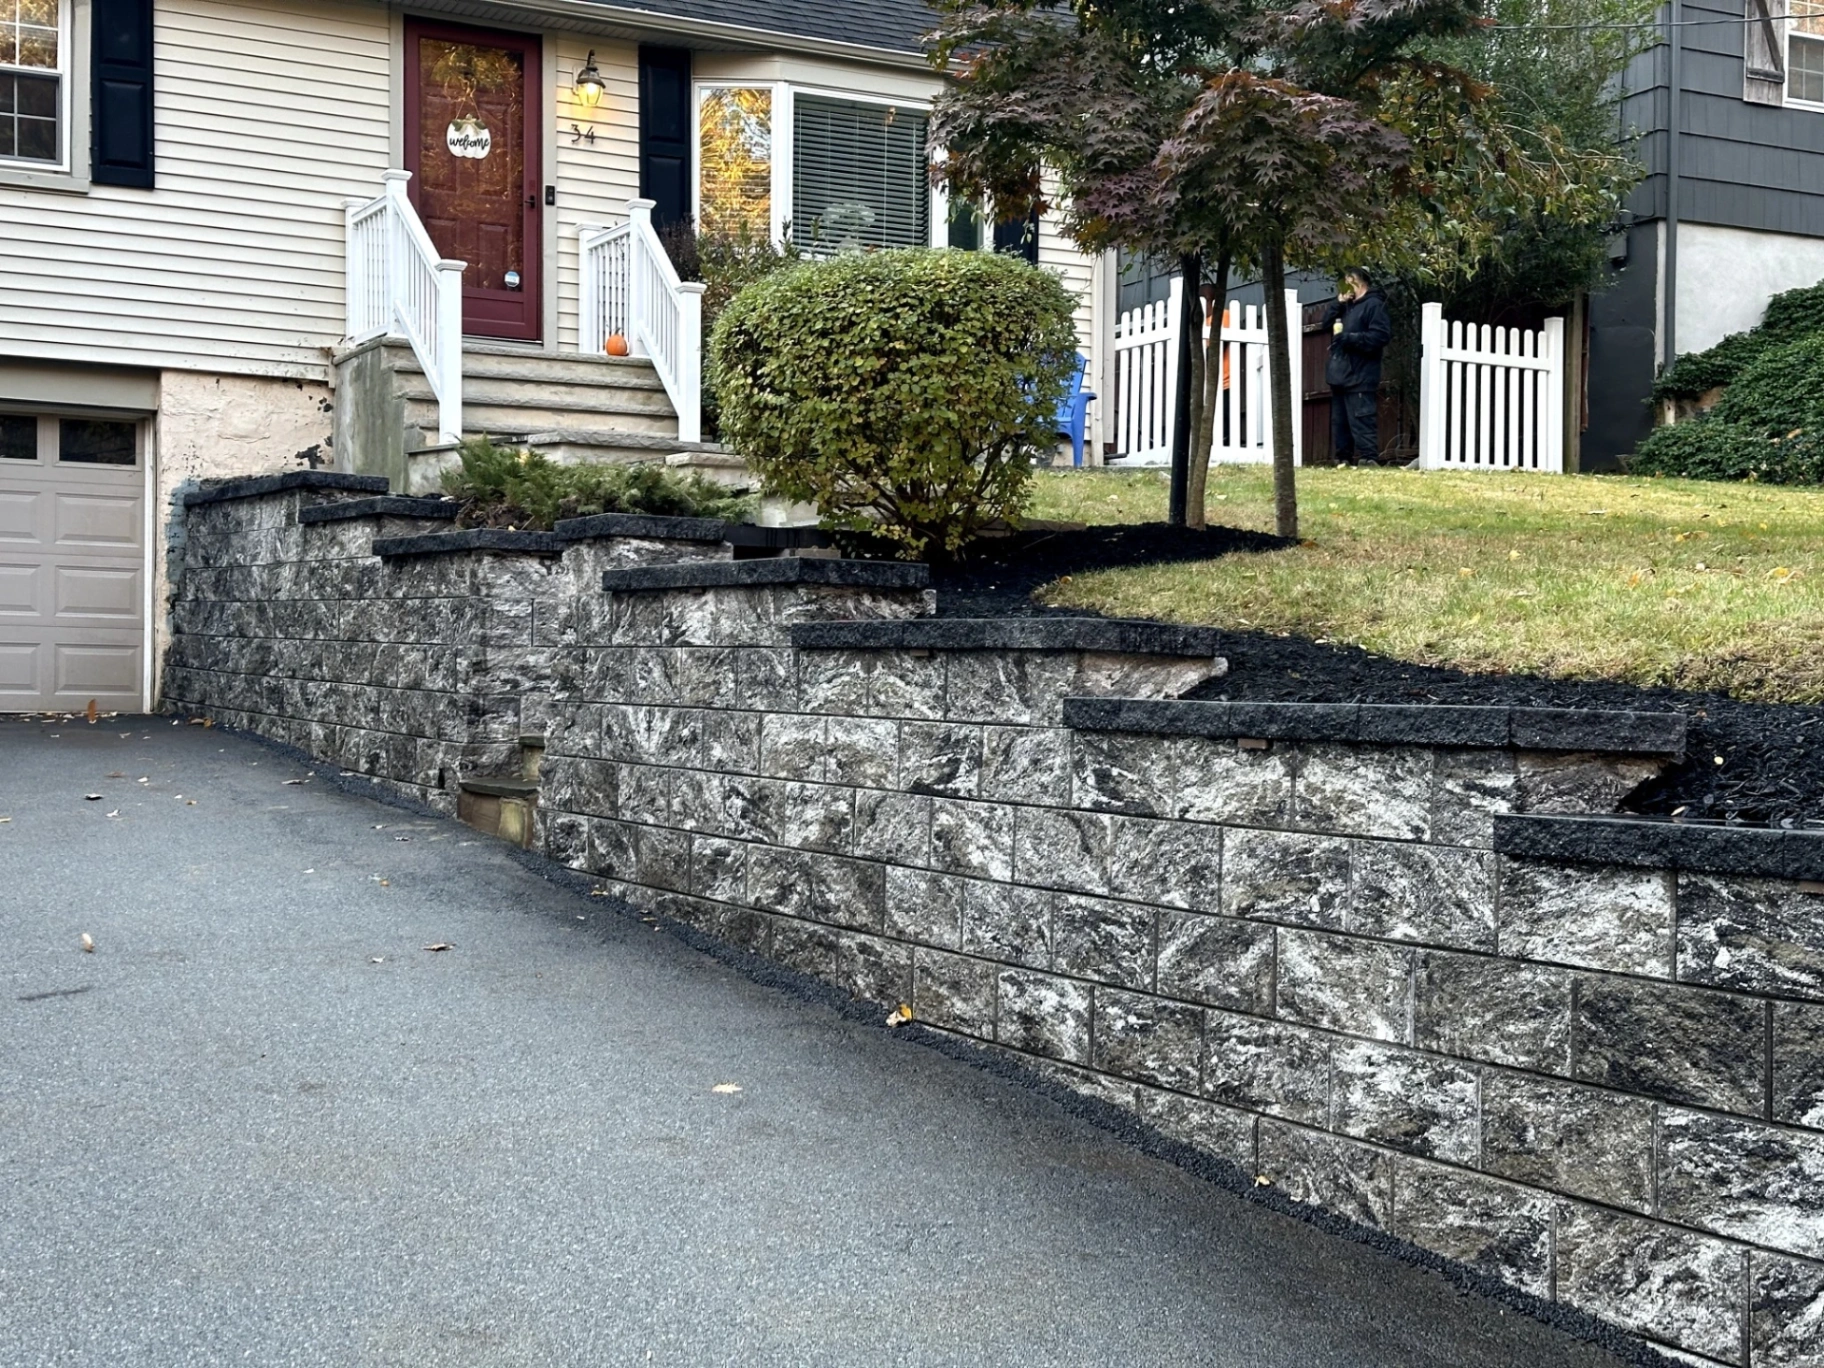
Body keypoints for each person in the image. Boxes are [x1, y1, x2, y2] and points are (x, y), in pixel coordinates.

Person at [1322, 268, 1392, 467]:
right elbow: (1325, 323)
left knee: (1362, 418)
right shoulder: (1346, 307)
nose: (1344, 287)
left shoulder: (1374, 305)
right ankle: (1343, 459)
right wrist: (1338, 302)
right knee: (1340, 422)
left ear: (1358, 282)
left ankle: (1368, 459)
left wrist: (1350, 339)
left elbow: (1380, 336)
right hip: (1339, 374)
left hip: (1361, 373)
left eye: (1347, 282)